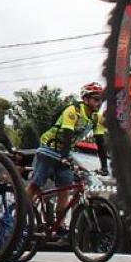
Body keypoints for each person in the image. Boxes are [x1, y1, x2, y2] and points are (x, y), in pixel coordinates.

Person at [30, 84, 108, 229]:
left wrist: (104, 166)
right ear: (85, 99)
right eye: (96, 99)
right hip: (49, 147)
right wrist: (64, 157)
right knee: (36, 183)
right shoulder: (73, 111)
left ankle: (57, 227)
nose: (99, 103)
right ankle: (21, 212)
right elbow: (67, 135)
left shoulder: (97, 118)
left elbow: (101, 143)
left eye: (101, 100)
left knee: (65, 189)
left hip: (66, 152)